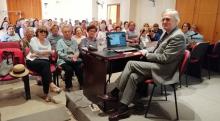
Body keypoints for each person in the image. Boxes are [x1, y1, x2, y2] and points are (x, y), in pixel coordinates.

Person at [102, 9, 186, 121]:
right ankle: (123, 108)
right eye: (163, 19)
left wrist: (147, 55)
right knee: (133, 76)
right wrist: (144, 49)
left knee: (131, 64)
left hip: (164, 70)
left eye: (168, 19)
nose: (164, 21)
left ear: (176, 21)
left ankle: (115, 93)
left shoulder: (178, 36)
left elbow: (165, 58)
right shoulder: (167, 33)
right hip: (156, 65)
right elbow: (157, 48)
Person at [26, 26, 61, 102]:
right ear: (37, 33)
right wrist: (47, 52)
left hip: (44, 62)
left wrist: (41, 53)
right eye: (41, 32)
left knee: (45, 68)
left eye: (45, 32)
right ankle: (51, 85)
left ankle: (47, 93)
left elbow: (48, 55)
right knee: (45, 65)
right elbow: (36, 51)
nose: (43, 33)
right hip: (32, 61)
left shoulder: (47, 41)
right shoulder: (33, 39)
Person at [56, 25, 83, 91]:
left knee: (79, 68)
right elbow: (59, 52)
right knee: (69, 69)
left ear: (71, 32)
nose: (67, 33)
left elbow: (77, 50)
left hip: (73, 60)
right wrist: (68, 56)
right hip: (63, 60)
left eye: (68, 31)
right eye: (65, 32)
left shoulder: (74, 41)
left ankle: (82, 84)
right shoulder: (60, 41)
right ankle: (68, 86)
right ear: (62, 33)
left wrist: (76, 54)